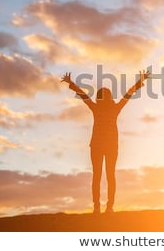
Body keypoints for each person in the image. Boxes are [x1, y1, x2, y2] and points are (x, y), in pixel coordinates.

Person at [61, 70, 149, 214]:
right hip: (105, 146)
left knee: (100, 176)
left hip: (101, 145)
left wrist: (71, 83)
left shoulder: (99, 108)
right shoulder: (112, 108)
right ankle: (105, 207)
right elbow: (127, 94)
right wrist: (139, 82)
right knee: (107, 176)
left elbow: (85, 96)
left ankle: (102, 207)